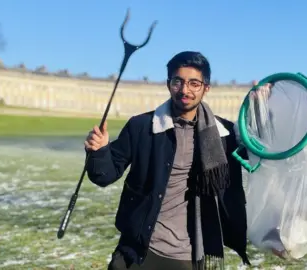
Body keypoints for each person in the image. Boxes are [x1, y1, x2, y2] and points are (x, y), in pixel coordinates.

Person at [84, 51, 268, 270]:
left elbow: (262, 150)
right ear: (168, 84)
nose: (185, 90)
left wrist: (262, 109)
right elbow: (104, 175)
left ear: (206, 88)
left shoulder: (224, 136)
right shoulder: (142, 126)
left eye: (194, 83)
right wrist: (99, 151)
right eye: (177, 81)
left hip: (188, 256)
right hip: (138, 250)